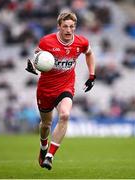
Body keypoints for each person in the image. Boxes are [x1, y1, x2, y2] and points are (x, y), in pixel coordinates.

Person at [25, 11, 96, 170]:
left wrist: (92, 75)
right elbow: (38, 59)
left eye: (71, 26)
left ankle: (50, 156)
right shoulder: (46, 42)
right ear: (59, 26)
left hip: (66, 86)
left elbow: (89, 54)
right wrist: (34, 68)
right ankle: (43, 146)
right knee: (46, 124)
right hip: (46, 88)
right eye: (65, 26)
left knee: (65, 115)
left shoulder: (81, 42)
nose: (68, 30)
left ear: (75, 27)